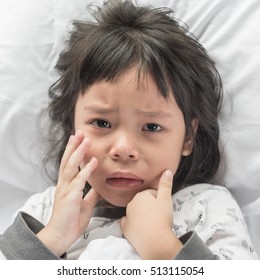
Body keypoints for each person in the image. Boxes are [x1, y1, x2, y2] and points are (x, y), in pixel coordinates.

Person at [0, 0, 257, 260]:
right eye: (101, 123)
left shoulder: (206, 207)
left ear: (187, 137)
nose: (123, 149)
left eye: (152, 126)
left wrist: (162, 248)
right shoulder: (45, 211)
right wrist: (53, 238)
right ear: (73, 126)